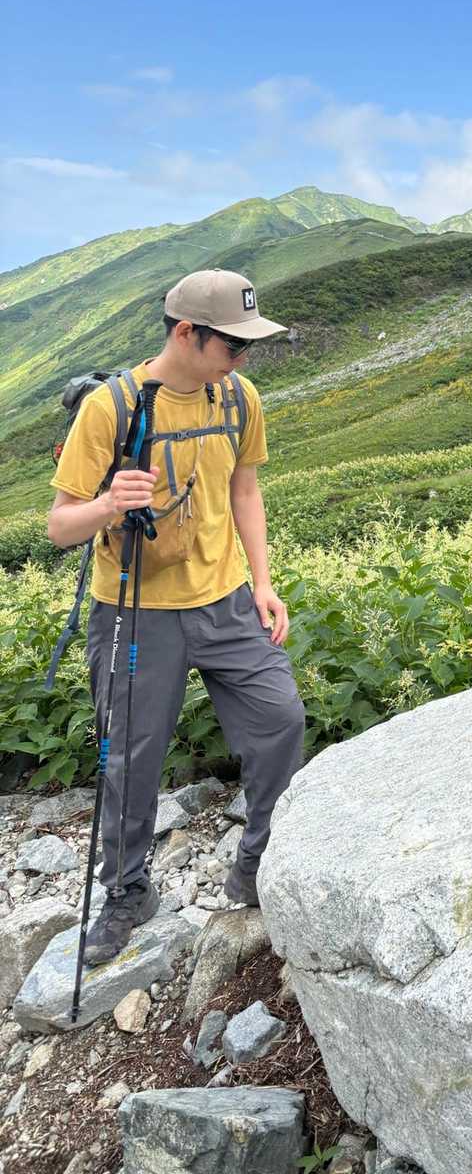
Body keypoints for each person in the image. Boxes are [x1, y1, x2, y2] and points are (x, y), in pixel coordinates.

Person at [47, 269, 304, 963]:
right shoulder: (111, 408)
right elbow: (60, 527)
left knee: (280, 719)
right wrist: (109, 504)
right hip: (134, 612)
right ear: (187, 332)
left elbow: (245, 490)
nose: (242, 359)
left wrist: (263, 583)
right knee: (130, 758)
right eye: (233, 345)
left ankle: (257, 866)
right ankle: (127, 891)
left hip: (225, 599)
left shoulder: (239, 398)